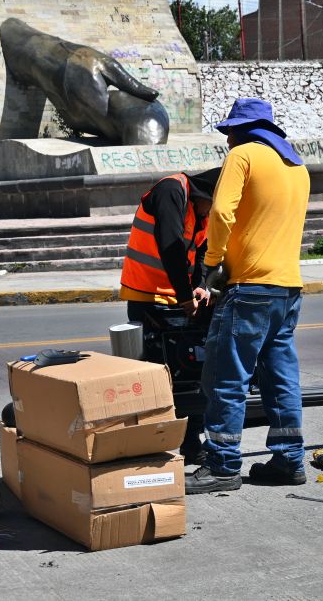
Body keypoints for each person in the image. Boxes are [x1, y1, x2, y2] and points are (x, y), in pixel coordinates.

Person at [186, 98, 311, 495]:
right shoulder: (297, 167)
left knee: (227, 377)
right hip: (288, 288)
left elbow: (222, 213)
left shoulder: (243, 156)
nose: (227, 141)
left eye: (229, 133)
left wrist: (212, 263)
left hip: (249, 288)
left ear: (240, 131)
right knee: (281, 378)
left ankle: (223, 465)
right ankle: (289, 460)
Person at [119, 168, 220, 466]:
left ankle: (191, 442)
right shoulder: (171, 191)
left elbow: (201, 250)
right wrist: (186, 295)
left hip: (177, 298)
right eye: (211, 205)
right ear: (204, 197)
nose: (212, 212)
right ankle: (153, 445)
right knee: (157, 378)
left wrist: (201, 286)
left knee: (190, 374)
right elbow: (170, 246)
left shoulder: (199, 212)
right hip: (149, 297)